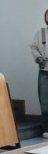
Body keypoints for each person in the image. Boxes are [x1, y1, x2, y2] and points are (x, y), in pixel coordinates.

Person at [31, 9, 48, 139]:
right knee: (44, 101)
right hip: (44, 71)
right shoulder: (41, 33)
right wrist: (38, 58)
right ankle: (46, 128)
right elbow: (33, 47)